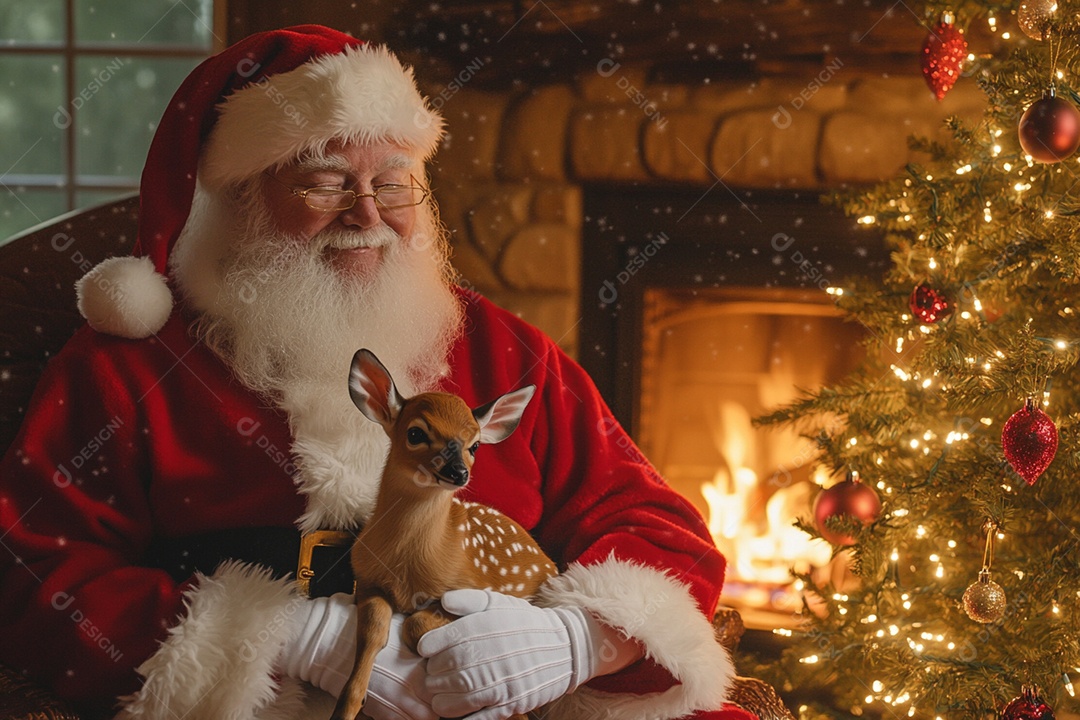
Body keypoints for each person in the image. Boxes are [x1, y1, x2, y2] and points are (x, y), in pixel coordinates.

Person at [0, 25, 756, 720]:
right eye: (326, 181)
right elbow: (30, 571)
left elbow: (658, 527)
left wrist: (578, 640)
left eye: (393, 182)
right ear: (239, 199)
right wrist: (290, 635)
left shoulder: (501, 346)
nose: (366, 213)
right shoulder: (130, 367)